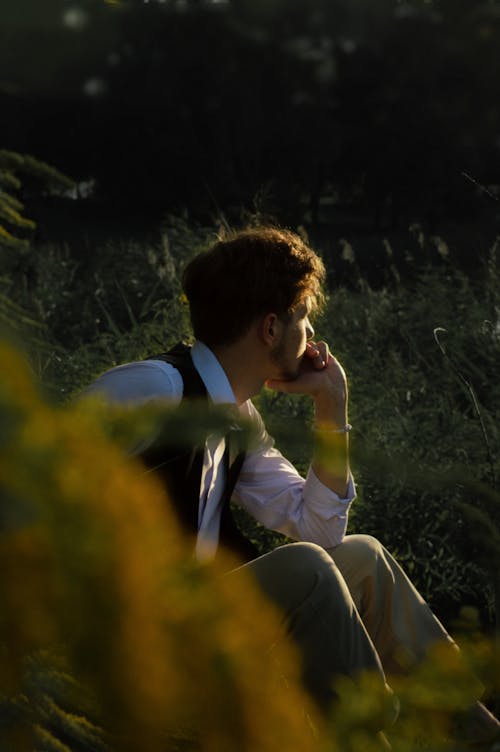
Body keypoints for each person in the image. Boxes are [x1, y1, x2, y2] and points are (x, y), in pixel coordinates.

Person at [82, 226, 499, 745]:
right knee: (307, 569)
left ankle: (477, 732)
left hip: (207, 617)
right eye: (304, 318)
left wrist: (332, 406)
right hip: (142, 632)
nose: (314, 338)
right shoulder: (150, 387)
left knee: (361, 557)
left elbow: (320, 528)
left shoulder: (238, 417)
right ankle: (371, 733)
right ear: (271, 328)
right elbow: (41, 477)